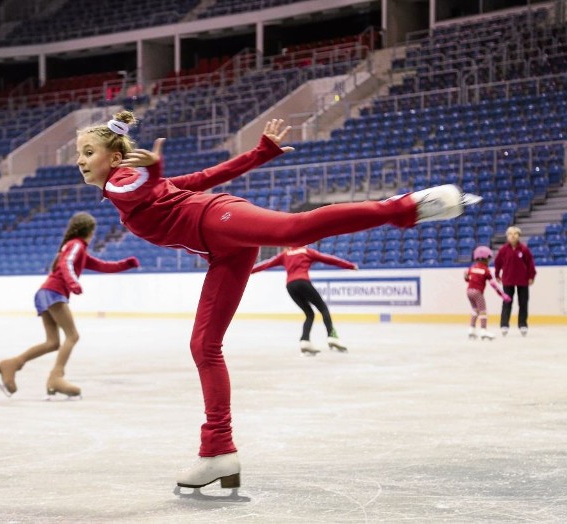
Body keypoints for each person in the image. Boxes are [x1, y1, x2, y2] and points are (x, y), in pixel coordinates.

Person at [75, 110, 481, 491]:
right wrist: (259, 154)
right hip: (223, 251)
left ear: (115, 157)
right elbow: (205, 175)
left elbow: (136, 183)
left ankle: (404, 208)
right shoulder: (129, 188)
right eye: (80, 153)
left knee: (293, 230)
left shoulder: (121, 182)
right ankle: (218, 450)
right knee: (204, 345)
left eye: (88, 152)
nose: (80, 160)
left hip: (219, 219)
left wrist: (152, 170)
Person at [0, 212, 139, 398]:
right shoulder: (76, 245)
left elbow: (103, 265)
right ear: (89, 231)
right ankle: (56, 377)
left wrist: (126, 264)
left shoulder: (77, 249)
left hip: (46, 293)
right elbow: (66, 264)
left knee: (52, 342)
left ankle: (11, 364)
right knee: (73, 336)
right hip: (53, 293)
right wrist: (73, 283)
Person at [251, 246, 358, 354]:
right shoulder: (307, 251)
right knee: (323, 308)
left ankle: (305, 340)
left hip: (290, 286)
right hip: (303, 281)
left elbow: (266, 264)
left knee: (309, 313)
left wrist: (249, 271)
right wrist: (350, 266)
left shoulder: (285, 254)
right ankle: (332, 336)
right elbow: (329, 259)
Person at [494, 226, 536, 336]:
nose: (512, 236)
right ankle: (504, 325)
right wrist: (497, 274)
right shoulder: (503, 250)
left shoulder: (524, 249)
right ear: (507, 236)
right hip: (508, 280)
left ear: (519, 235)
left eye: (515, 233)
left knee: (523, 303)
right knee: (507, 303)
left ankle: (522, 325)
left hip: (523, 280)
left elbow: (530, 264)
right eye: (510, 234)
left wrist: (531, 276)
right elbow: (497, 263)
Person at [464, 246, 511, 340]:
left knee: (475, 310)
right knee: (483, 311)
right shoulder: (486, 270)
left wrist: (467, 276)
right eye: (489, 259)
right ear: (486, 258)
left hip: (469, 291)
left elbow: (466, 277)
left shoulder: (472, 268)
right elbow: (493, 285)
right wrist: (502, 295)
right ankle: (483, 330)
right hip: (477, 292)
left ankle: (471, 329)